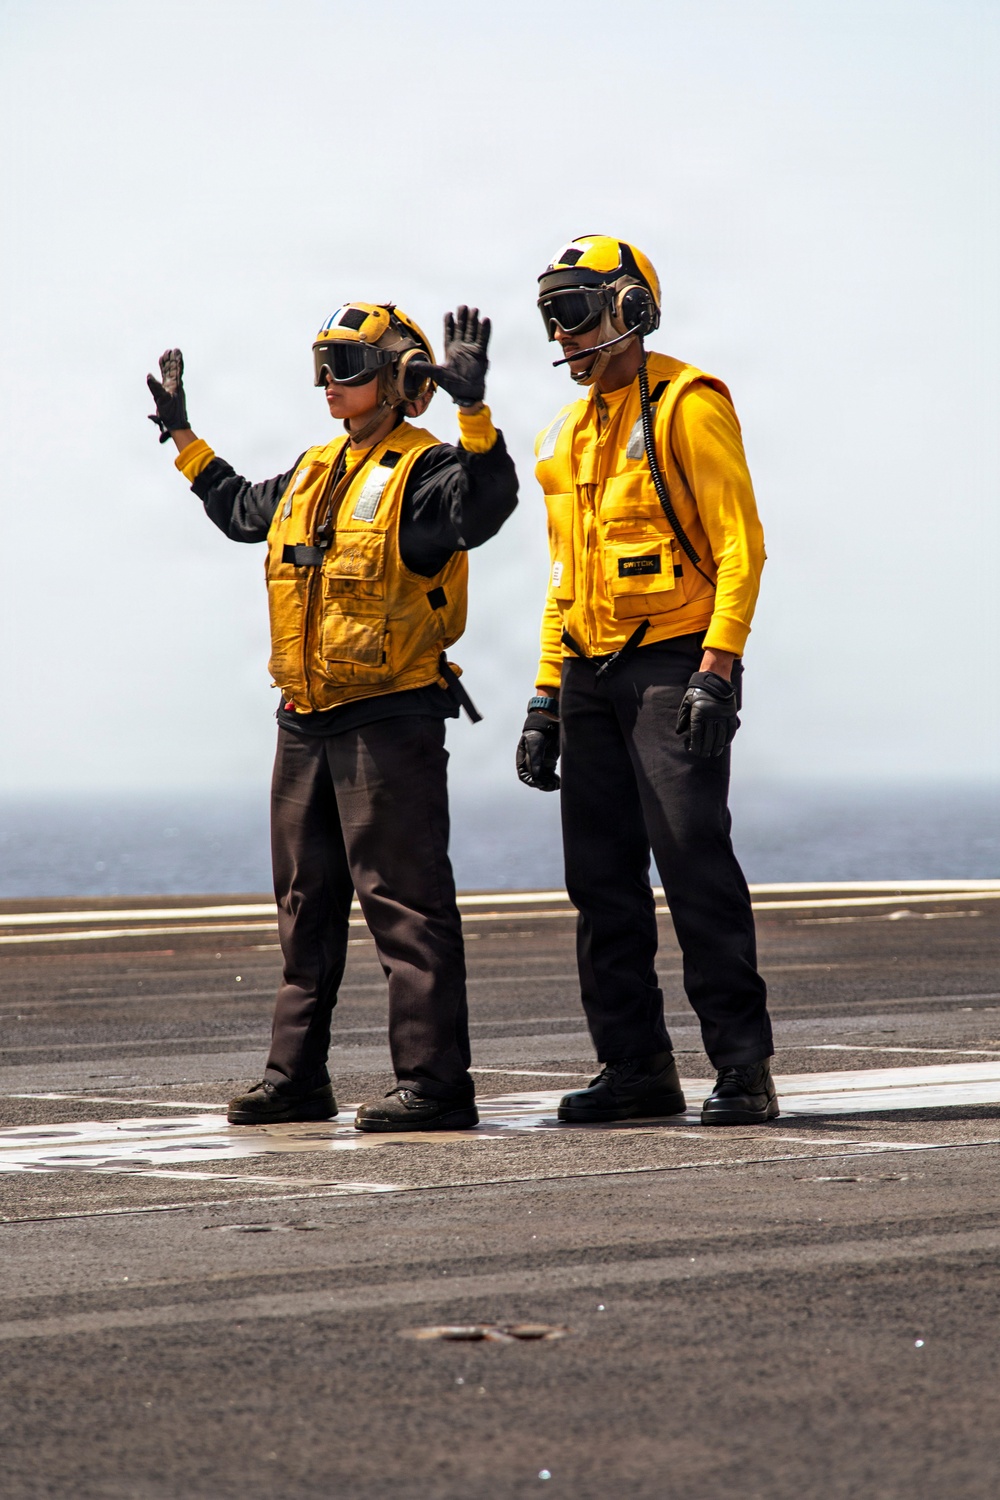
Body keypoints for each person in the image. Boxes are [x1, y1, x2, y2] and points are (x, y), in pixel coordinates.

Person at [147, 301, 517, 1131]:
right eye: (323, 365)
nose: (328, 382)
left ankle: (435, 1086)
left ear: (398, 379)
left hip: (389, 719)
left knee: (405, 906)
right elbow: (240, 510)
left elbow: (485, 508)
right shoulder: (314, 470)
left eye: (346, 366)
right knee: (304, 906)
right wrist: (182, 435)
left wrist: (473, 409)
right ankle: (295, 1079)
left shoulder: (427, 471)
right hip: (303, 719)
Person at [516, 236, 778, 1127]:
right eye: (552, 314)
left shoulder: (688, 406)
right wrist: (545, 697)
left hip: (674, 662)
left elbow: (741, 546)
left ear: (628, 308)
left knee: (693, 863)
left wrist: (717, 668)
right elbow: (564, 578)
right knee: (599, 881)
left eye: (574, 310)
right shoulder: (564, 433)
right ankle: (634, 1068)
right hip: (588, 671)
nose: (561, 331)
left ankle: (743, 1068)